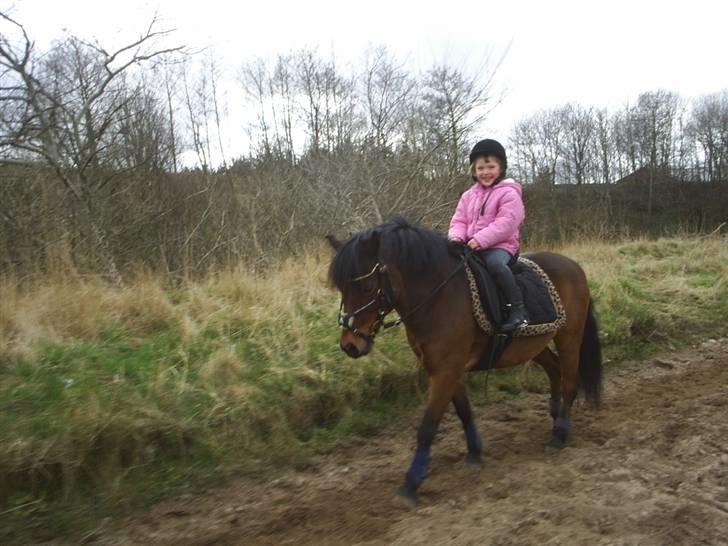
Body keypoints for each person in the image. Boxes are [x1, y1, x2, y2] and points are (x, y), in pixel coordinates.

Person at [448, 138, 528, 332]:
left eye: (490, 167)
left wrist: (481, 240)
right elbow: (459, 221)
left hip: (501, 246)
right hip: (471, 245)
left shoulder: (509, 193)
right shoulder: (468, 196)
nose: (485, 172)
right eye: (480, 168)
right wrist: (456, 238)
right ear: (474, 171)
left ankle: (518, 311)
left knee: (495, 265)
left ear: (501, 168)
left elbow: (506, 223)